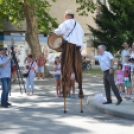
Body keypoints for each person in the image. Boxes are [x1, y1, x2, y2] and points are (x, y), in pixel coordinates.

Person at [54, 9, 84, 98]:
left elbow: (58, 31)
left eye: (65, 16)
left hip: (69, 47)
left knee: (65, 66)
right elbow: (82, 34)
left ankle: (64, 89)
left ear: (67, 16)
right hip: (78, 48)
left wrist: (53, 32)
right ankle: (80, 89)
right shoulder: (79, 25)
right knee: (77, 69)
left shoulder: (66, 23)